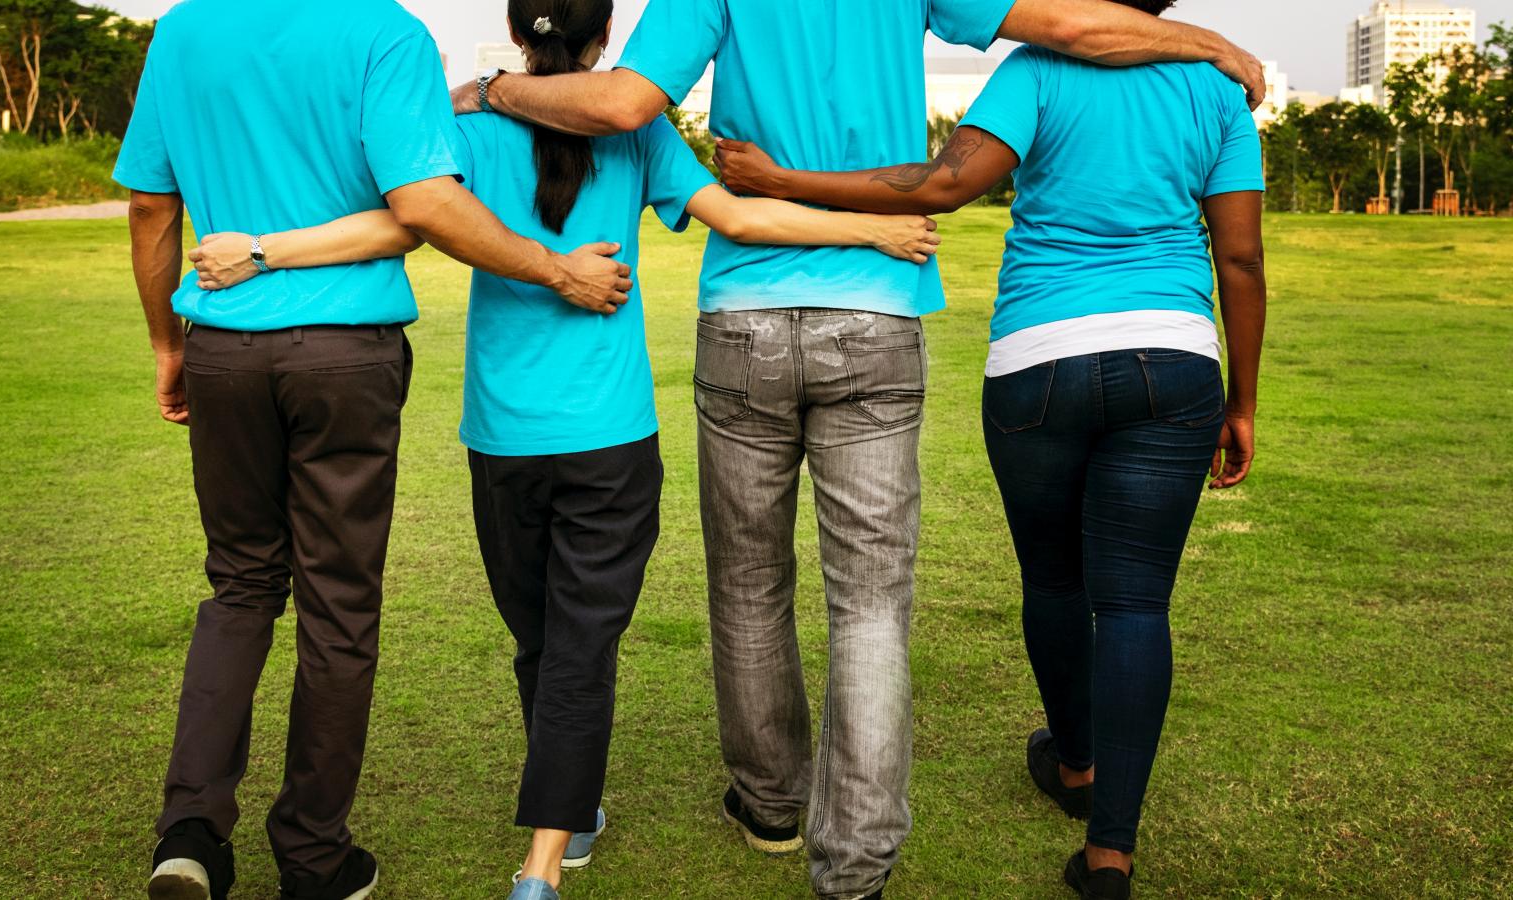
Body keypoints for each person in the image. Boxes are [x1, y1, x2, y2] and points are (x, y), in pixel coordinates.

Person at [452, 2, 1265, 898]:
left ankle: (769, 804)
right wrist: (1210, 42)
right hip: (876, 311)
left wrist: (495, 88)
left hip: (743, 318)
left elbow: (619, 106)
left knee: (748, 583)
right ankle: (858, 858)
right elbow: (1076, 28)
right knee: (871, 602)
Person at [183, 2, 939, 897]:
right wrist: (874, 229)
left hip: (503, 437)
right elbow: (737, 219)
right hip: (611, 436)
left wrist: (265, 247)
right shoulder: (644, 133)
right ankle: (555, 837)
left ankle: (565, 824)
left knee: (540, 637)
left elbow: (404, 217)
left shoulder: (466, 126)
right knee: (578, 644)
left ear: (516, 34)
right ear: (602, 44)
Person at [715, 0, 1267, 896]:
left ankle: (1077, 763)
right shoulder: (1216, 89)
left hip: (1038, 358)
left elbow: (940, 185)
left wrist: (784, 179)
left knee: (1054, 579)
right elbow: (1238, 259)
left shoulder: (1039, 71)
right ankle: (1110, 853)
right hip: (1174, 356)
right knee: (1134, 604)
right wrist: (1240, 400)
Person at [115, 1, 635, 898]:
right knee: (337, 608)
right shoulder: (385, 33)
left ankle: (191, 833)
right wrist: (556, 269)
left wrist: (168, 344)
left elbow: (152, 205)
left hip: (223, 350)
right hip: (344, 355)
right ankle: (315, 858)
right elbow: (425, 205)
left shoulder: (183, 29)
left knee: (239, 586)